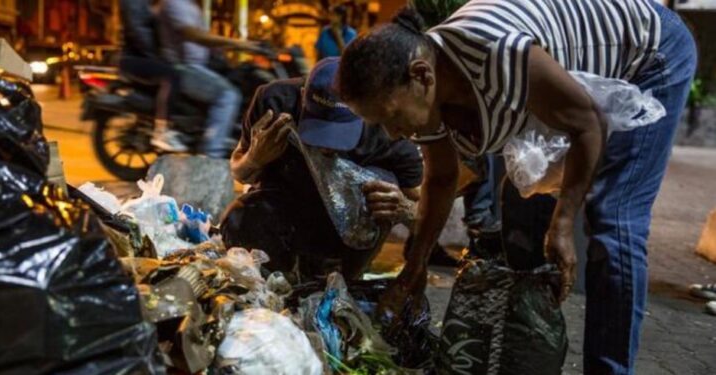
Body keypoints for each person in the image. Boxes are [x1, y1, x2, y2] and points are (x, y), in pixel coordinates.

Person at [336, 2, 697, 374]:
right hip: (572, 87)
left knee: (613, 220)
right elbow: (442, 178)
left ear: (422, 75)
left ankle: (609, 369)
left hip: (649, 53)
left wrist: (563, 224)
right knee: (522, 216)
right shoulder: (427, 90)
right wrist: (415, 267)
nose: (394, 134)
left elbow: (588, 126)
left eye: (393, 117)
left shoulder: (498, 52)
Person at [221, 57, 423, 281]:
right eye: (319, 129)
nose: (327, 146)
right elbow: (239, 171)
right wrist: (254, 159)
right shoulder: (275, 101)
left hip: (350, 229)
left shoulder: (388, 130)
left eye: (339, 134)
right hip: (284, 208)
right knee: (238, 217)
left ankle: (342, 277)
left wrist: (404, 209)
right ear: (302, 95)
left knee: (331, 291)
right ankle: (274, 282)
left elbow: (423, 213)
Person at [159, 0, 256, 158]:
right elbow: (194, 35)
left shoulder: (192, 7)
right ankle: (212, 154)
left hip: (201, 67)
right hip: (184, 68)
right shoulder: (174, 3)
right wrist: (238, 44)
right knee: (229, 95)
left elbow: (207, 39)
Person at [119, 0, 185, 151]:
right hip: (135, 58)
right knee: (171, 76)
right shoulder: (134, 3)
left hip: (142, 55)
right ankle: (161, 132)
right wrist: (157, 58)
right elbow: (138, 31)